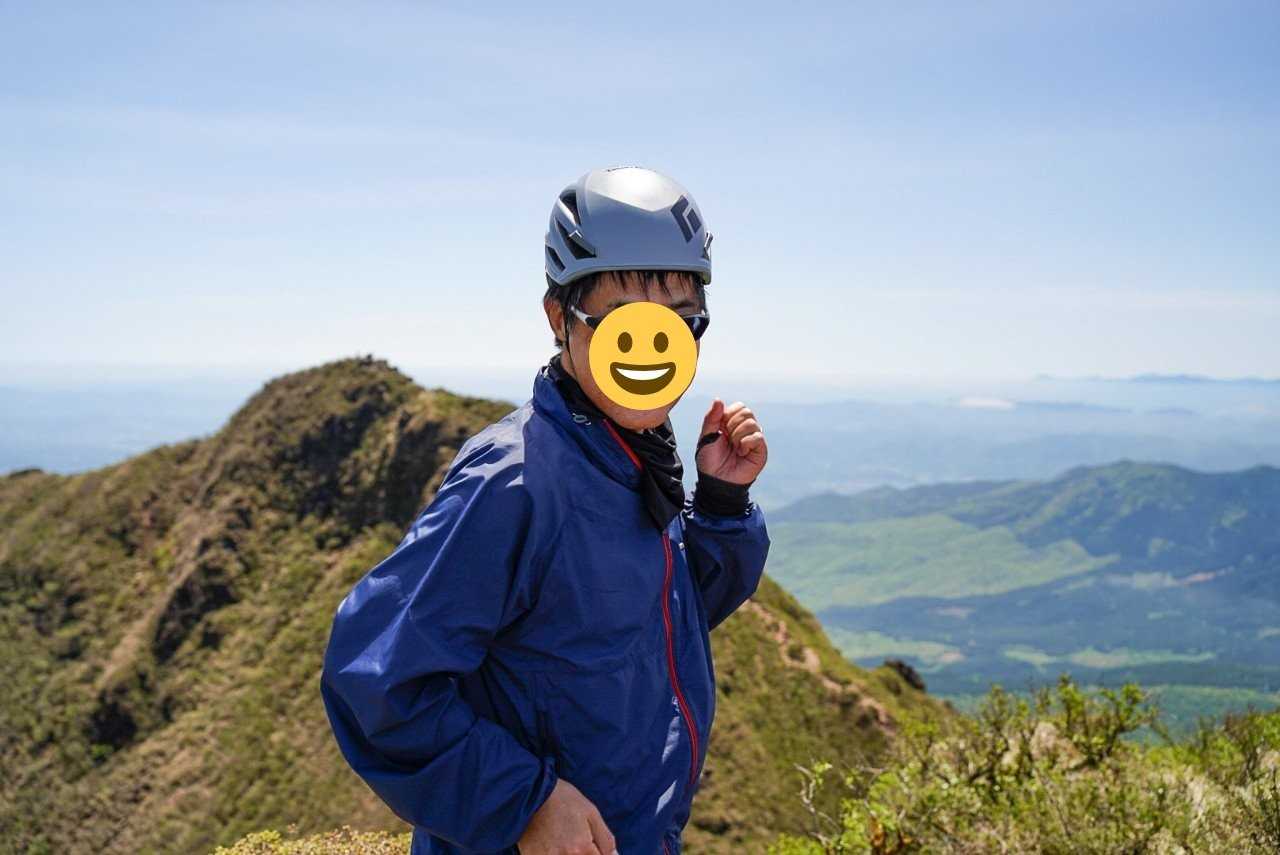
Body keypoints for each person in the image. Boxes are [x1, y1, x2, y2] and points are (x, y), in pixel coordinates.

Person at [320, 166, 770, 854]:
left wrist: (722, 500)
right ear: (559, 318)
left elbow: (659, 616)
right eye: (622, 322)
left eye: (680, 322)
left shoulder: (634, 458)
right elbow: (374, 682)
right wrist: (525, 804)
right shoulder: (515, 482)